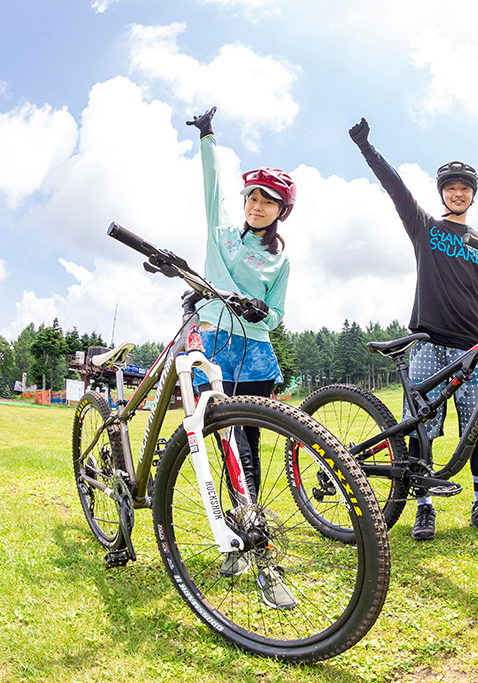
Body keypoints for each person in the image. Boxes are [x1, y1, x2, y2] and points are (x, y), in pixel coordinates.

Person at [349, 117, 478, 541]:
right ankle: (424, 507)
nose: (458, 192)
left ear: (472, 195)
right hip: (428, 342)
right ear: (442, 193)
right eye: (451, 187)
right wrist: (367, 148)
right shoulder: (425, 227)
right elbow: (397, 189)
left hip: (476, 347)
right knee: (422, 429)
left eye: (465, 188)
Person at [186, 107, 296, 604]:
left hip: (257, 356)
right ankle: (242, 537)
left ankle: (244, 535)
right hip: (215, 347)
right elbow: (210, 187)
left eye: (268, 201)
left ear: (280, 211)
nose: (257, 205)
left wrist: (259, 311)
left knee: (247, 444)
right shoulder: (222, 234)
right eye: (253, 196)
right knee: (227, 444)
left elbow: (277, 316)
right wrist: (208, 137)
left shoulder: (279, 258)